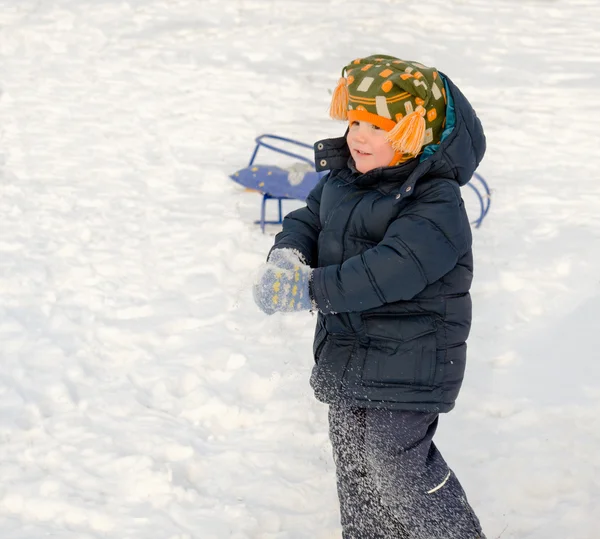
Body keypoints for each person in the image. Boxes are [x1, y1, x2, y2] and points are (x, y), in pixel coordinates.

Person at [253, 54, 486, 539]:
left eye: (378, 127)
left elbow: (391, 270)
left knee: (399, 477)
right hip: (346, 356)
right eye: (355, 119)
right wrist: (288, 256)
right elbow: (307, 221)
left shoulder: (435, 202)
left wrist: (311, 288)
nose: (358, 135)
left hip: (409, 362)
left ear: (414, 132)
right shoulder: (341, 182)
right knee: (357, 477)